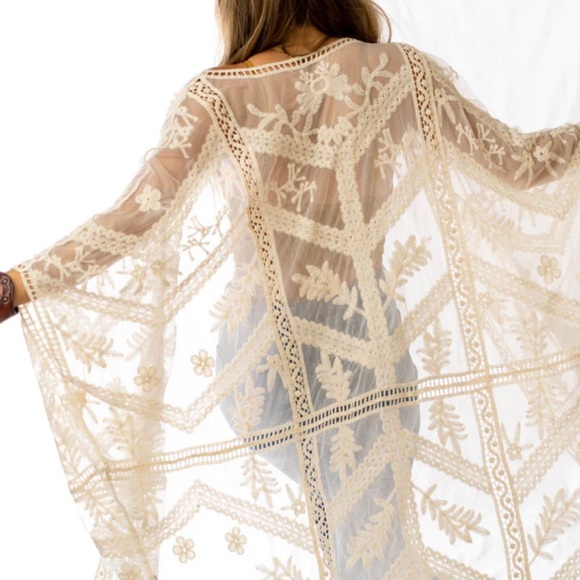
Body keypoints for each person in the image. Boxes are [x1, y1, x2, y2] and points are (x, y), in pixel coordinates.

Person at [2, 0, 580, 578]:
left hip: (260, 364)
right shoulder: (396, 73)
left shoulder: (218, 97)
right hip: (365, 353)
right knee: (374, 546)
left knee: (357, 540)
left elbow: (134, 217)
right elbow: (519, 164)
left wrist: (17, 286)